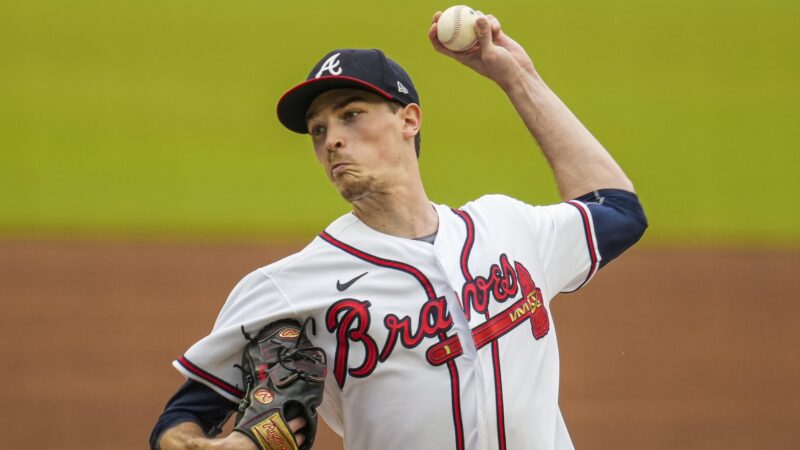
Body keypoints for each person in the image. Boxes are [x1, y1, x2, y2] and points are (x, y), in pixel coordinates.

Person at [151, 10, 647, 450]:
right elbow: (179, 422)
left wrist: (517, 77)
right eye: (318, 129)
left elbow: (618, 211)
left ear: (409, 120)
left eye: (351, 115)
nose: (333, 141)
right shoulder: (288, 286)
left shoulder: (506, 226)